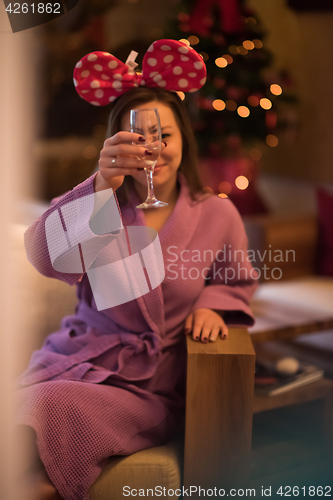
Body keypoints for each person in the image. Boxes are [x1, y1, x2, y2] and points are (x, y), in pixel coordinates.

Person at [15, 41, 258, 500]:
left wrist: (214, 306)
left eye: (165, 135)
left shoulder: (217, 215)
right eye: (139, 137)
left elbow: (234, 280)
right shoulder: (100, 205)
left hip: (149, 386)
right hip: (77, 361)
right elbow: (46, 258)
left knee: (44, 408)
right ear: (115, 144)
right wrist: (101, 187)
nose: (154, 148)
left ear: (184, 139)